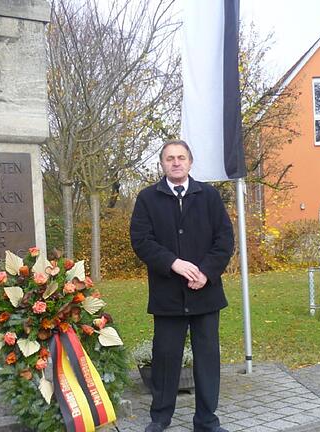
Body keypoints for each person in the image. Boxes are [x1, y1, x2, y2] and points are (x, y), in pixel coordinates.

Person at [130, 140, 234, 432]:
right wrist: (173, 263)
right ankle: (160, 418)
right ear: (161, 164)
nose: (176, 162)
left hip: (206, 293)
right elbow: (141, 241)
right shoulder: (147, 198)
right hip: (167, 294)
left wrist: (207, 272)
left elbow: (224, 240)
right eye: (169, 158)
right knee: (165, 358)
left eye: (181, 157)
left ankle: (206, 420)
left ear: (190, 162)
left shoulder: (210, 196)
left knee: (207, 359)